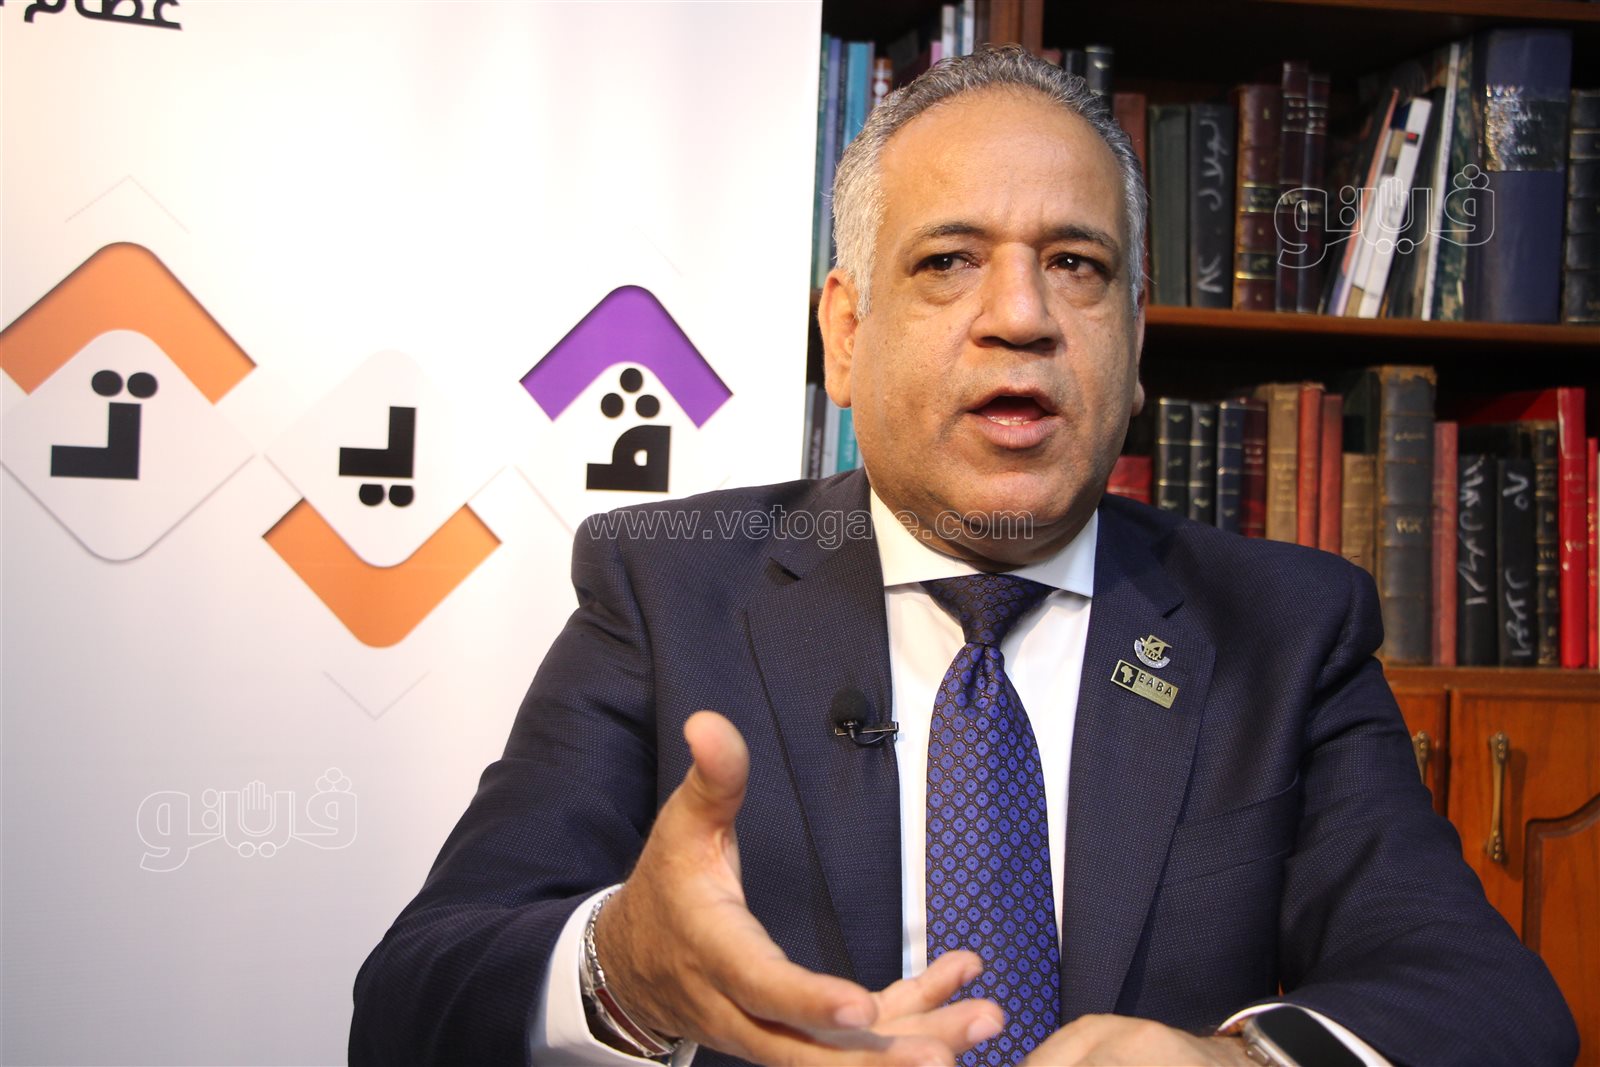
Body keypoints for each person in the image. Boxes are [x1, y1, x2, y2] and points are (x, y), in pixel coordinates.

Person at [350, 46, 1576, 1067]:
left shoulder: (1286, 626)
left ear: (1132, 342)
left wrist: (1237, 1063)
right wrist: (628, 968)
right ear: (845, 331)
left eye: (1075, 265)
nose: (1022, 315)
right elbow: (411, 998)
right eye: (947, 261)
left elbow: (1490, 1002)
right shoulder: (668, 586)